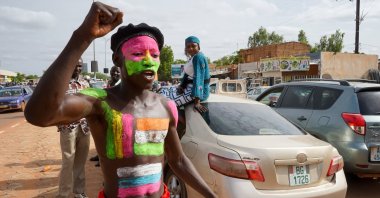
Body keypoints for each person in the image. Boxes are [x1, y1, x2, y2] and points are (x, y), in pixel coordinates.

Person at [25, 2, 216, 198]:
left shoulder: (165, 106)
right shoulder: (100, 102)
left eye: (155, 55)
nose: (149, 60)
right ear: (118, 60)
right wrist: (82, 36)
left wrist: (211, 196)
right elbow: (39, 114)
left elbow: (178, 161)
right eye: (138, 53)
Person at [56, 58, 91, 198]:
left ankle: (79, 192)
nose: (77, 68)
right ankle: (63, 194)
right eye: (75, 65)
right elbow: (55, 106)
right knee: (68, 162)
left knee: (80, 162)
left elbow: (90, 103)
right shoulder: (61, 84)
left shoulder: (85, 83)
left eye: (80, 66)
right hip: (68, 128)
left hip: (84, 128)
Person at [159, 36, 210, 113]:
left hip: (199, 92)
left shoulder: (198, 57)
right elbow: (186, 74)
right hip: (189, 87)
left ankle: (177, 120)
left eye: (193, 46)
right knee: (162, 91)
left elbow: (198, 79)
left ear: (199, 46)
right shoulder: (192, 58)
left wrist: (197, 102)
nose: (191, 48)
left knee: (164, 103)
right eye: (188, 47)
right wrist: (182, 86)